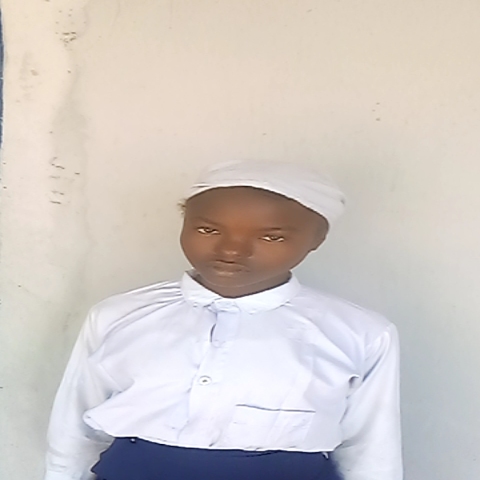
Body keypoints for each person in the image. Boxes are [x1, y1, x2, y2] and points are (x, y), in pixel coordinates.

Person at [44, 160, 402, 480]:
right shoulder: (118, 316)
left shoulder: (358, 334)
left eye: (271, 236)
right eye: (208, 230)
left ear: (317, 239)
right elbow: (74, 426)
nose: (232, 250)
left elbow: (370, 449)